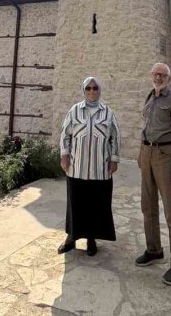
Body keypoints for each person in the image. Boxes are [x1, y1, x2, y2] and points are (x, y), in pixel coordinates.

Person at [136, 62, 171, 286]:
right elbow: (146, 125)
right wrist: (141, 152)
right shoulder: (150, 96)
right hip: (147, 152)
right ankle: (154, 249)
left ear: (168, 78)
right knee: (147, 205)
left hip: (166, 155)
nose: (158, 77)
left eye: (162, 75)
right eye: (155, 74)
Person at [58, 76, 120, 256]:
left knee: (96, 205)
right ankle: (71, 237)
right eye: (88, 88)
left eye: (95, 88)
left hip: (99, 169)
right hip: (77, 168)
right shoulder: (75, 111)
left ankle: (91, 238)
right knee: (75, 204)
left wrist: (114, 159)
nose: (91, 91)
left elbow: (115, 136)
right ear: (83, 91)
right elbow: (65, 134)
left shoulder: (108, 113)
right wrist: (64, 155)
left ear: (99, 90)